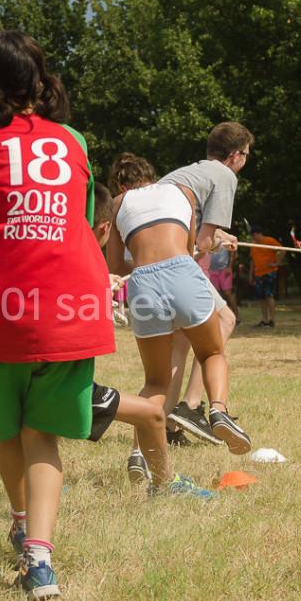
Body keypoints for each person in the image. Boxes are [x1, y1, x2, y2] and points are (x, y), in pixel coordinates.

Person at [0, 30, 116, 601]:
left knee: (7, 430)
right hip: (75, 301)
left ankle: (23, 524)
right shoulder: (73, 138)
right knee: (42, 432)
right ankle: (39, 558)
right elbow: (84, 215)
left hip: (6, 305)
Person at [106, 153, 252, 458]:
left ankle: (139, 453)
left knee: (156, 382)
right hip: (182, 273)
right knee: (212, 352)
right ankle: (218, 411)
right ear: (152, 175)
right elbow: (189, 250)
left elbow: (118, 267)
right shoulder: (180, 192)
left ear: (120, 184)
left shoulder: (118, 204)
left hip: (143, 284)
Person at [87, 182, 189, 488]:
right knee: (152, 415)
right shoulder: (85, 261)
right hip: (66, 384)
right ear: (105, 228)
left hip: (16, 372)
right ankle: (165, 486)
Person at [158, 122, 253, 442]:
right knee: (224, 319)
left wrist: (217, 238)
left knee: (182, 340)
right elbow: (204, 241)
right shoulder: (224, 175)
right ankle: (191, 405)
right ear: (236, 155)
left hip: (149, 260)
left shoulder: (183, 174)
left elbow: (195, 236)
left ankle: (166, 425)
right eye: (247, 155)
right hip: (174, 261)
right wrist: (218, 241)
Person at [248, 228, 282, 328]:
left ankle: (272, 320)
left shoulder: (269, 241)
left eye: (253, 235)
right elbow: (252, 261)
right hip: (258, 273)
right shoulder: (253, 245)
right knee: (261, 297)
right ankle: (265, 320)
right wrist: (251, 275)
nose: (253, 238)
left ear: (258, 233)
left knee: (269, 295)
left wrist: (277, 262)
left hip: (269, 272)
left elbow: (282, 250)